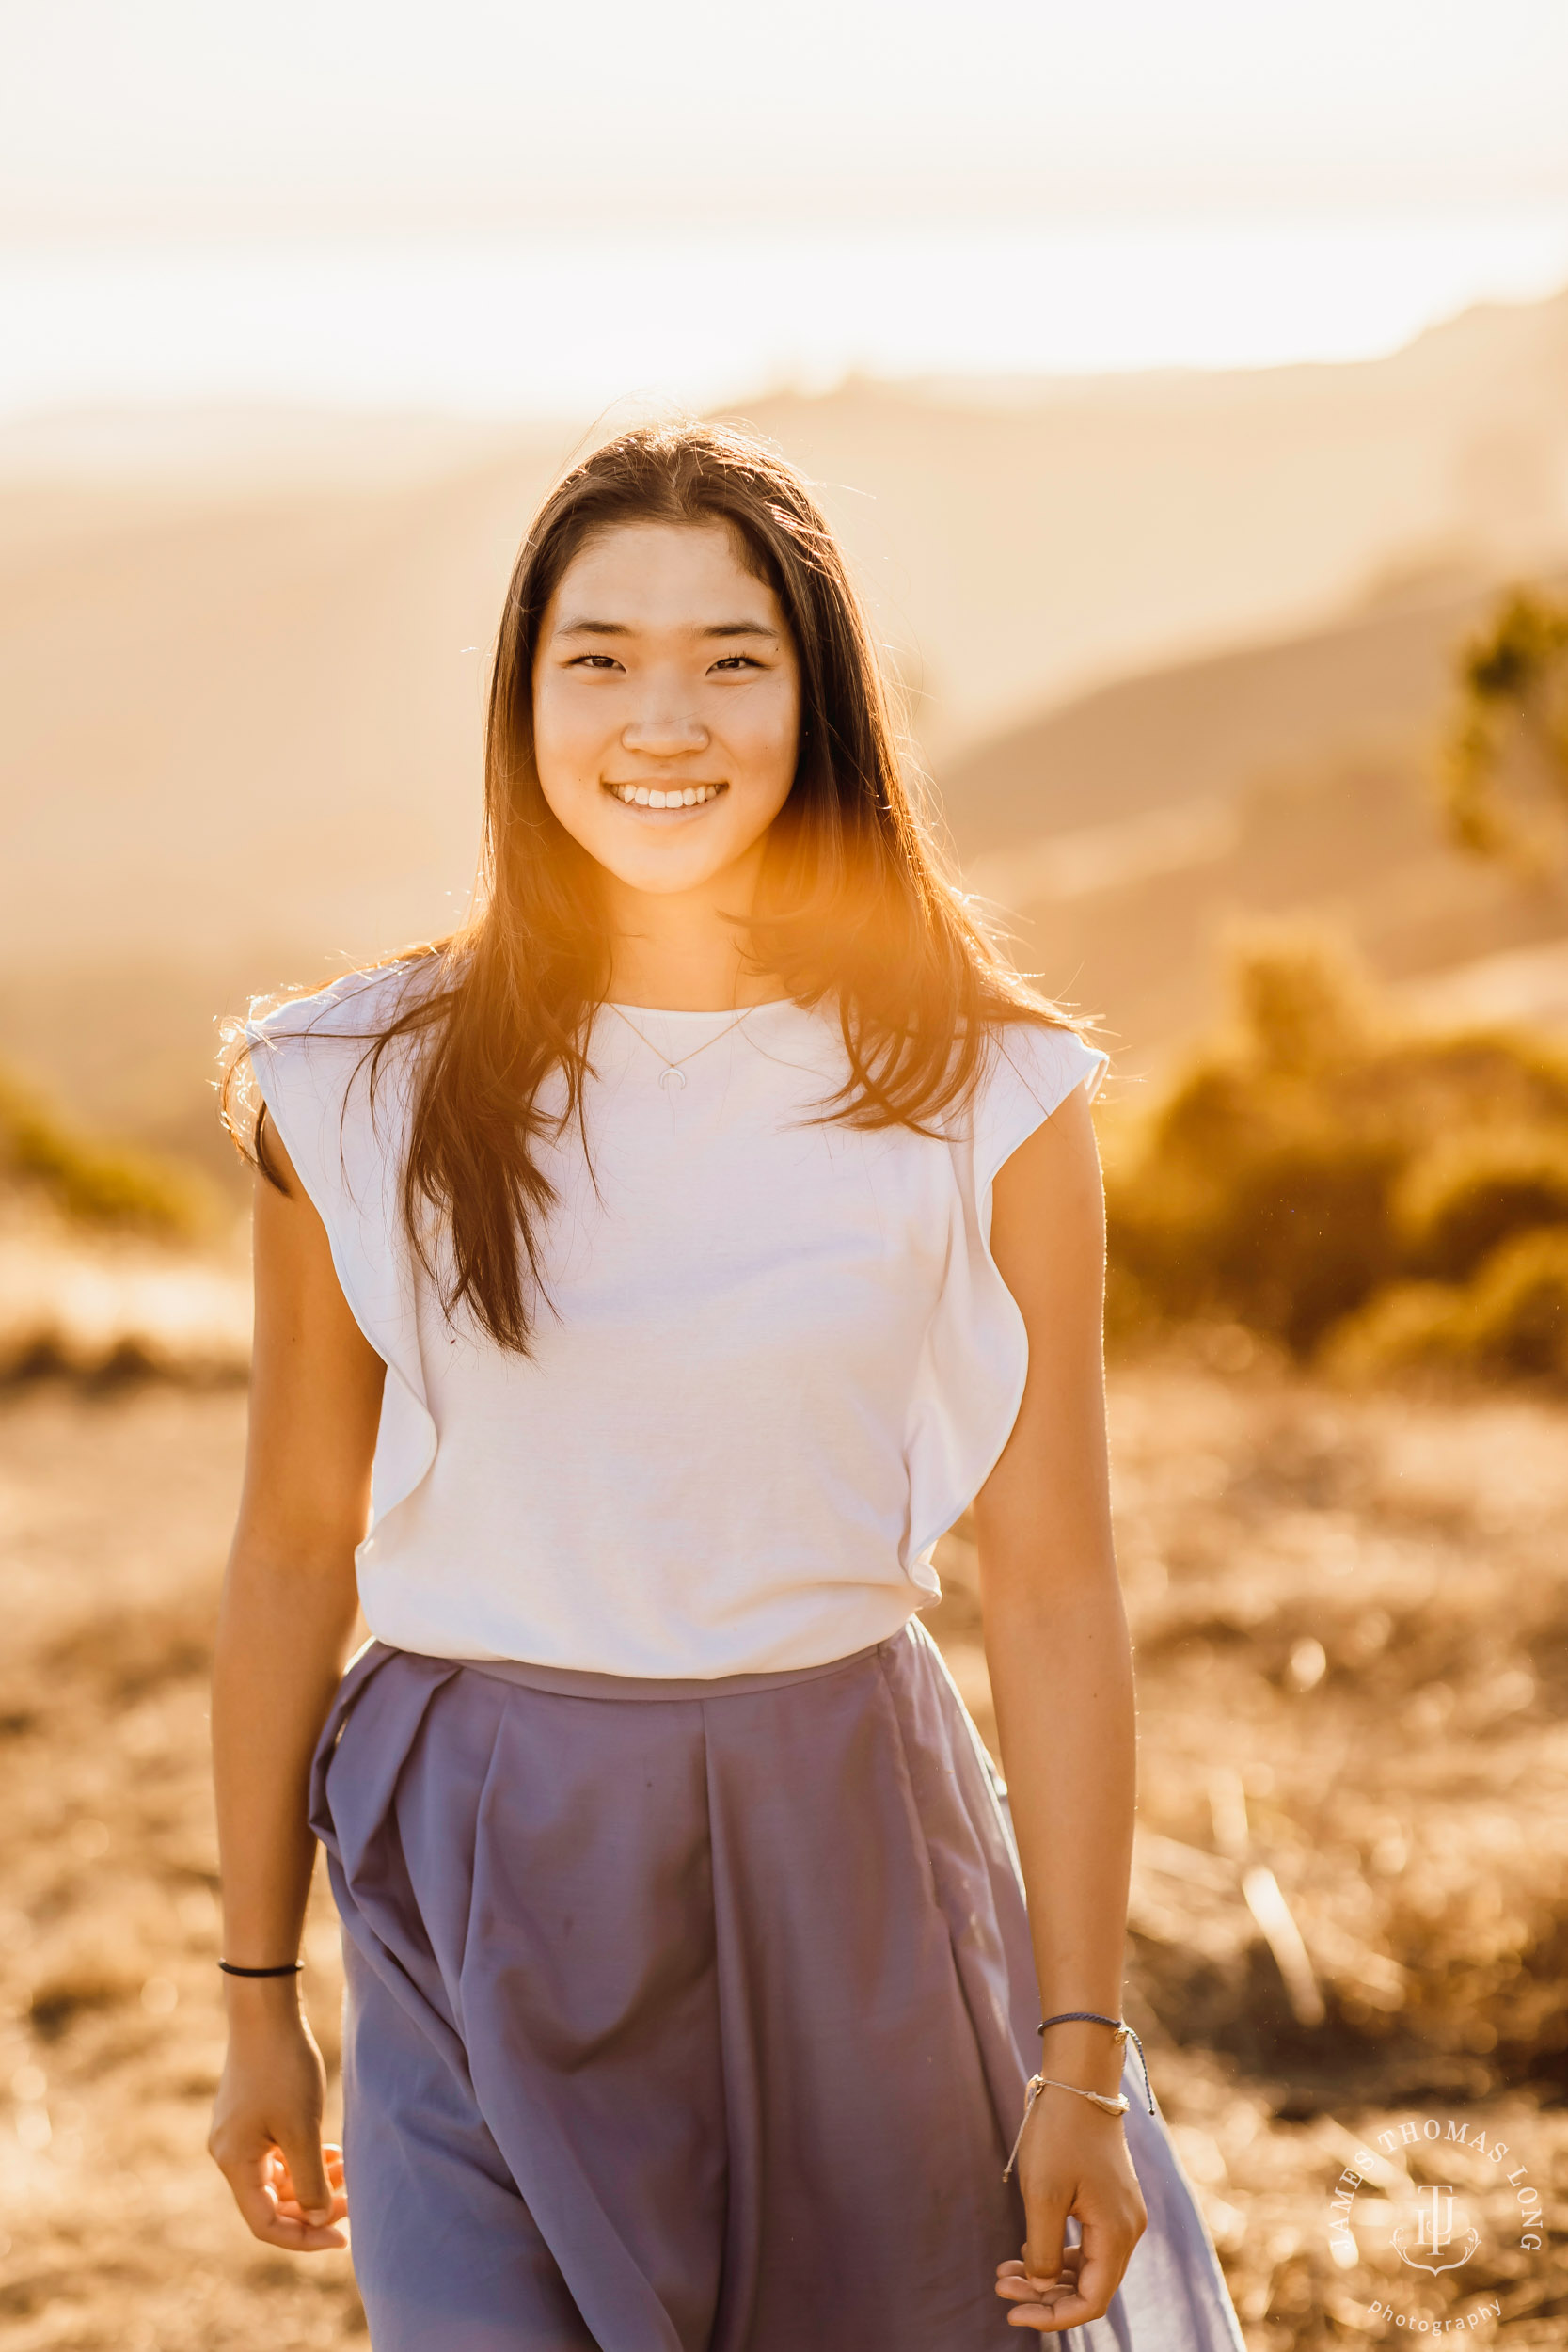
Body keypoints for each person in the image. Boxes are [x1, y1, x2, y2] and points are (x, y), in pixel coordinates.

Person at [207, 421, 1244, 2349]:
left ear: (821, 694)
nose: (660, 718)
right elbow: (288, 1544)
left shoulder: (985, 1088)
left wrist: (1079, 2055)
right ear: (519, 699)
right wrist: (254, 1990)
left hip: (843, 1843)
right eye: (596, 656)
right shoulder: (354, 1080)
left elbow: (1055, 1581)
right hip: (475, 1863)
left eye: (732, 657)